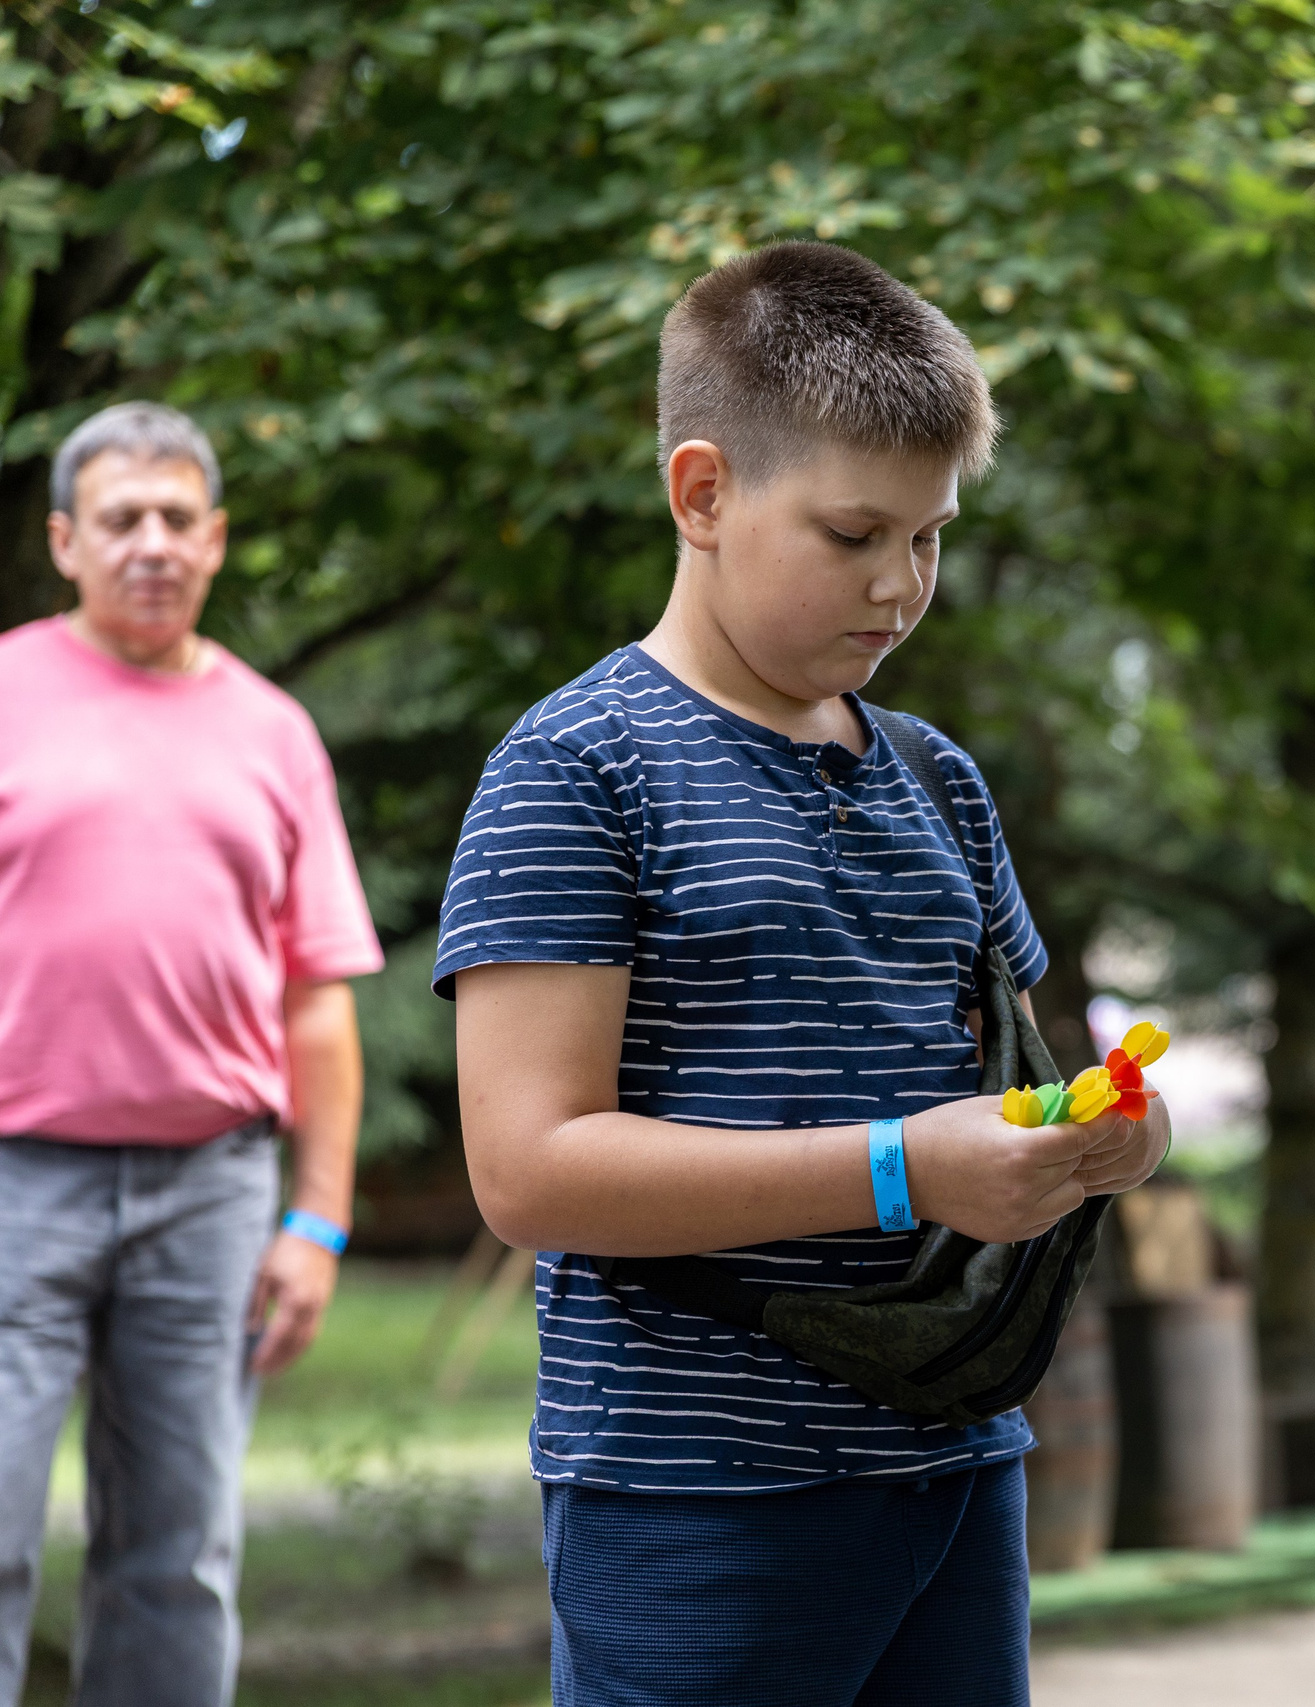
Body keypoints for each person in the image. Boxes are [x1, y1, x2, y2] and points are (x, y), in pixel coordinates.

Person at [436, 241, 1169, 1707]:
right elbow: (527, 1171)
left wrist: (1100, 1139)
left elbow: (1014, 1082)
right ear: (702, 494)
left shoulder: (939, 778)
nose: (901, 585)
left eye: (931, 537)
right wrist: (903, 1169)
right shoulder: (575, 769)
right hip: (695, 1495)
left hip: (958, 1463)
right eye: (853, 534)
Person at [0, 402, 381, 1705]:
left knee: (179, 1558)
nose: (152, 543)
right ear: (66, 540)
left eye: (177, 518)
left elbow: (317, 998)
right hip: (14, 1178)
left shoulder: (273, 732)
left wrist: (316, 1220)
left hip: (211, 1193)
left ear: (216, 540)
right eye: (123, 519)